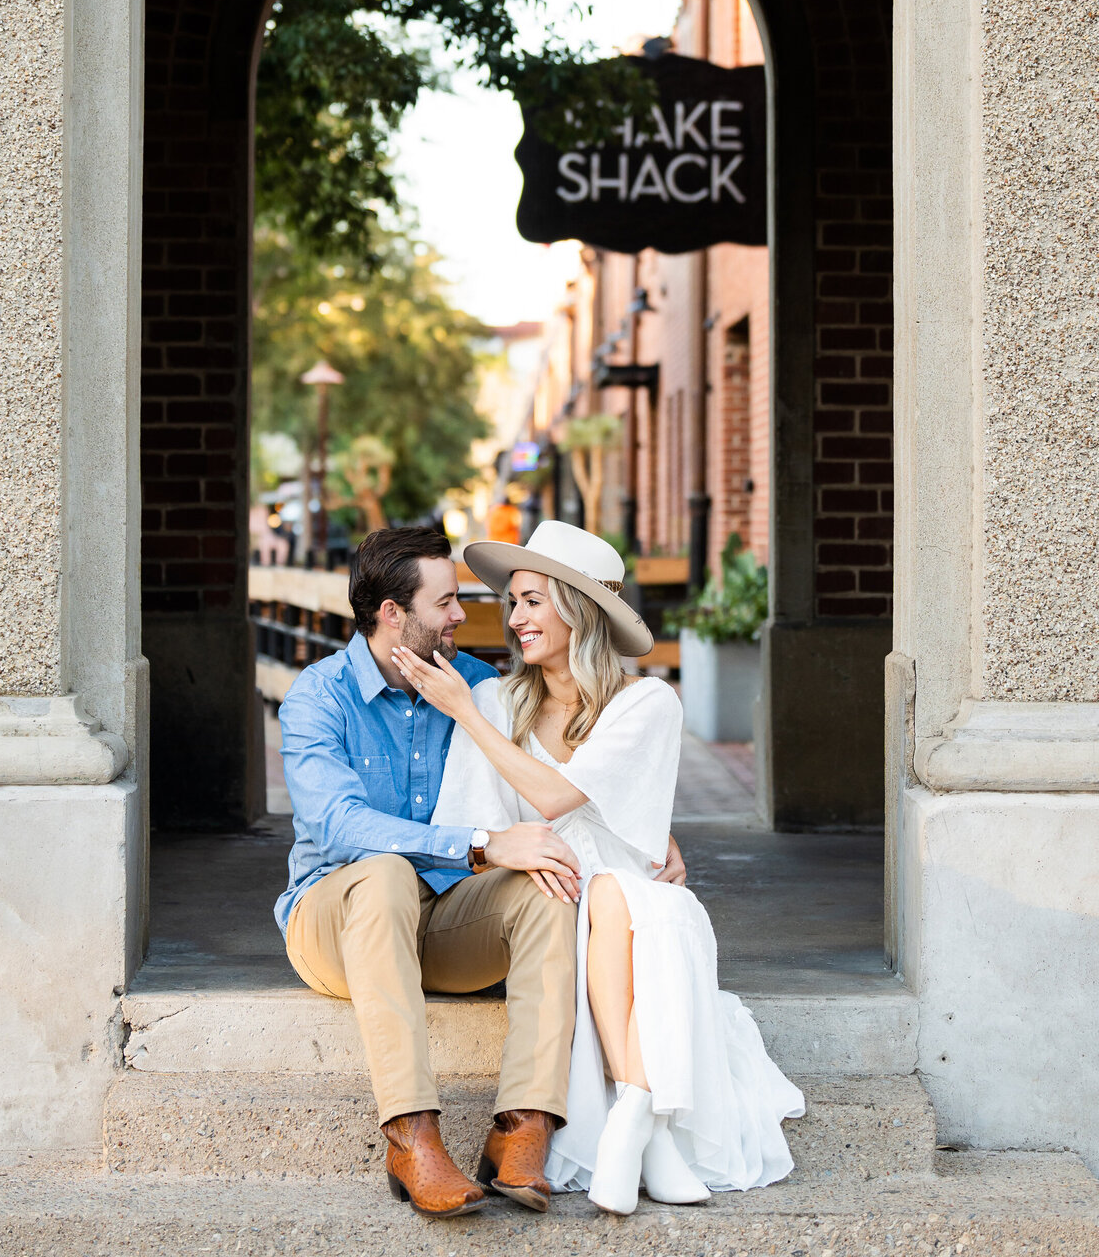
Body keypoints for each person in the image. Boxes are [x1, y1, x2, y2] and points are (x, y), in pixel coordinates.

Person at [391, 520, 806, 1217]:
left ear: (579, 608)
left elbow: (559, 796)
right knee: (605, 897)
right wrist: (497, 814)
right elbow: (467, 826)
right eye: (513, 602)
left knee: (628, 897)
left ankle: (633, 1116)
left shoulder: (646, 702)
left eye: (531, 600)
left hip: (636, 908)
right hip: (546, 907)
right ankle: (648, 1129)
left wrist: (464, 711)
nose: (514, 618)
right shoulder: (497, 703)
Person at [276, 525, 610, 1219]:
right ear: (394, 614)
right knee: (386, 869)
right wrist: (484, 842)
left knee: (545, 885)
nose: (464, 616)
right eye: (448, 603)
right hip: (333, 924)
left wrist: (650, 827)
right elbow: (340, 826)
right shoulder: (319, 697)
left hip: (441, 924)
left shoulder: (477, 687)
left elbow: (575, 736)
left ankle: (523, 1127)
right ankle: (411, 1134)